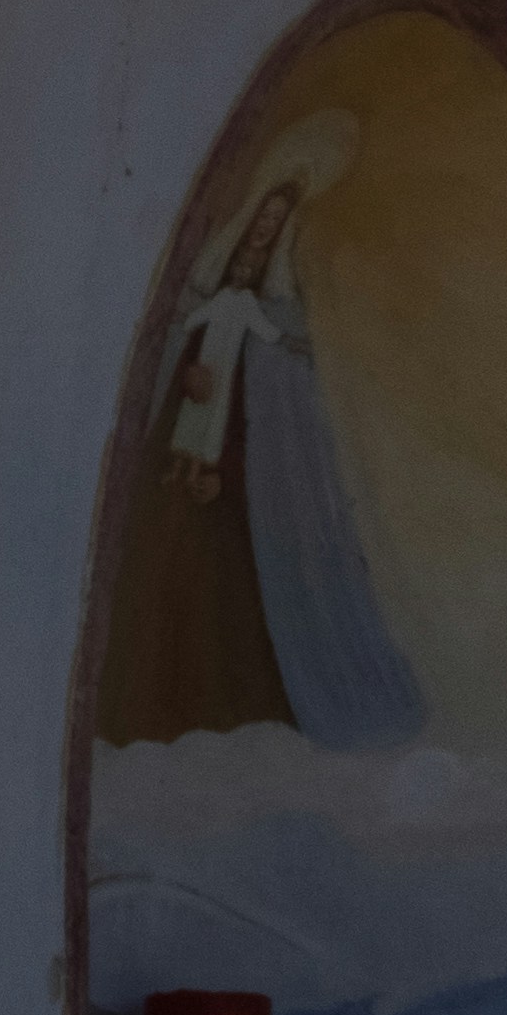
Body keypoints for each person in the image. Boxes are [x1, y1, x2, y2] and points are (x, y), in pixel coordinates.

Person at [95, 117, 428, 751]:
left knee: (228, 593)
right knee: (164, 574)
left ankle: (227, 715)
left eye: (275, 229)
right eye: (260, 223)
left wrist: (244, 402)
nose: (261, 237)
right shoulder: (205, 293)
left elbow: (282, 381)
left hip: (235, 475)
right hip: (179, 452)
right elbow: (172, 347)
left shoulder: (270, 308)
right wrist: (187, 372)